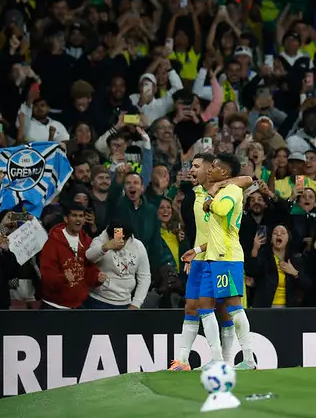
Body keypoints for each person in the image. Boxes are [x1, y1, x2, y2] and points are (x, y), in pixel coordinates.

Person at [169, 153, 251, 371]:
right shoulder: (194, 193)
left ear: (210, 169)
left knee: (226, 309)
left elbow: (249, 180)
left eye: (197, 166)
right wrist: (195, 250)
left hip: (222, 255)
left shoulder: (226, 190)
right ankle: (183, 360)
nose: (192, 170)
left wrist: (221, 185)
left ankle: (226, 361)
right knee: (192, 306)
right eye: (192, 166)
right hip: (201, 257)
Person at [40, 203, 106, 309]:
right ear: (66, 219)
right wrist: (63, 278)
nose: (78, 219)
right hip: (54, 306)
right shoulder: (53, 242)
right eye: (74, 216)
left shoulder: (87, 241)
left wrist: (97, 278)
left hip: (77, 305)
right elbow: (46, 275)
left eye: (81, 216)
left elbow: (89, 268)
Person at [85, 221, 151, 309]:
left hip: (126, 302)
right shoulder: (100, 241)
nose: (119, 243)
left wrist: (136, 303)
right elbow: (89, 257)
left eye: (123, 240)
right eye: (116, 239)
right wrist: (105, 247)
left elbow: (144, 277)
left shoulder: (138, 246)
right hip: (99, 301)